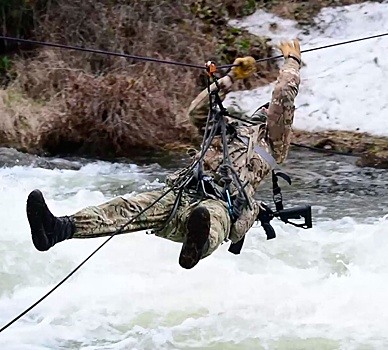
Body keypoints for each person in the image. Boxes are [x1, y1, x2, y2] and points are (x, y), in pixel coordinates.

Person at [25, 39, 302, 269]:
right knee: (127, 207)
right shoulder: (229, 128)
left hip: (222, 203)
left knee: (211, 219)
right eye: (263, 108)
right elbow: (196, 112)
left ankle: (195, 248)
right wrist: (231, 79)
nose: (266, 110)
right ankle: (58, 229)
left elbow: (284, 97)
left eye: (270, 110)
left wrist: (292, 63)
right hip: (183, 191)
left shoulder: (276, 143)